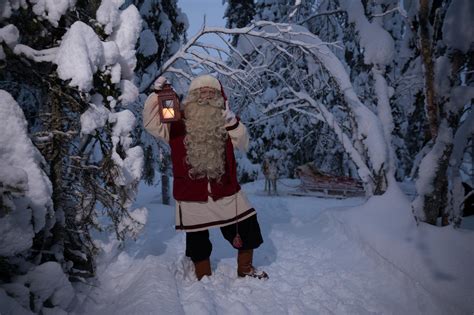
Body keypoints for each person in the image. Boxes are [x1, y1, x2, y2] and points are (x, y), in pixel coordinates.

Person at [142, 74, 268, 280]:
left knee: (247, 225)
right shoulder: (176, 122)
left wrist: (232, 122)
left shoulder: (225, 120)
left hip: (225, 189)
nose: (206, 96)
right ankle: (203, 274)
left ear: (220, 97)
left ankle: (245, 268)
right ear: (192, 96)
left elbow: (243, 142)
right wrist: (157, 95)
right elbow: (150, 123)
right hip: (192, 193)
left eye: (212, 92)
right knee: (197, 239)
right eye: (201, 92)